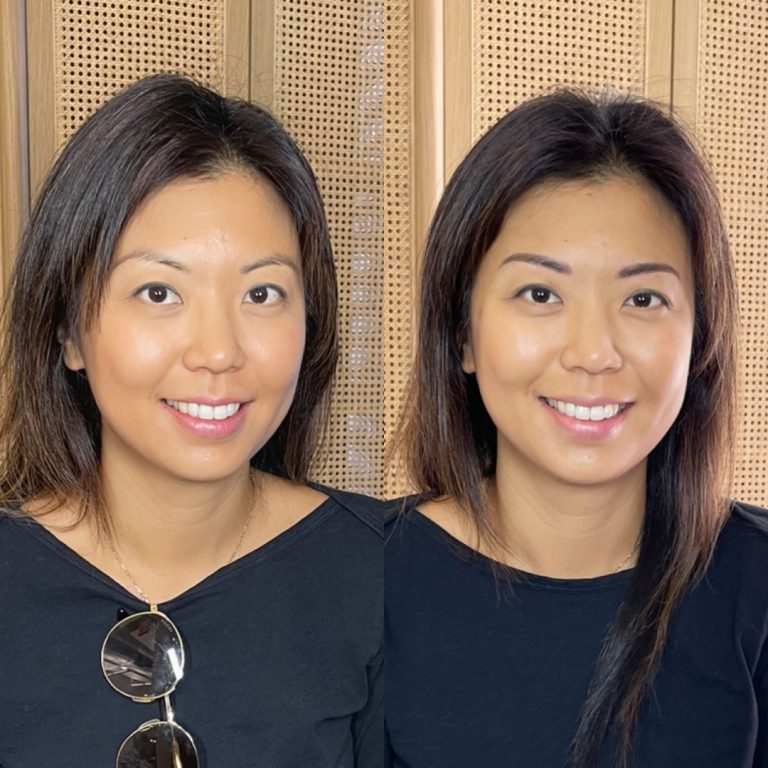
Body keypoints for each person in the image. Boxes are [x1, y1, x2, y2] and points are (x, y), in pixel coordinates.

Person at [0, 74, 383, 767]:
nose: (218, 352)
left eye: (262, 292)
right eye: (158, 291)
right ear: (68, 333)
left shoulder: (392, 572)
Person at [385, 88, 768, 768]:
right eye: (541, 294)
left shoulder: (755, 583)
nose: (593, 352)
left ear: (700, 337)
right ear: (462, 334)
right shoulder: (356, 578)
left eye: (643, 299)